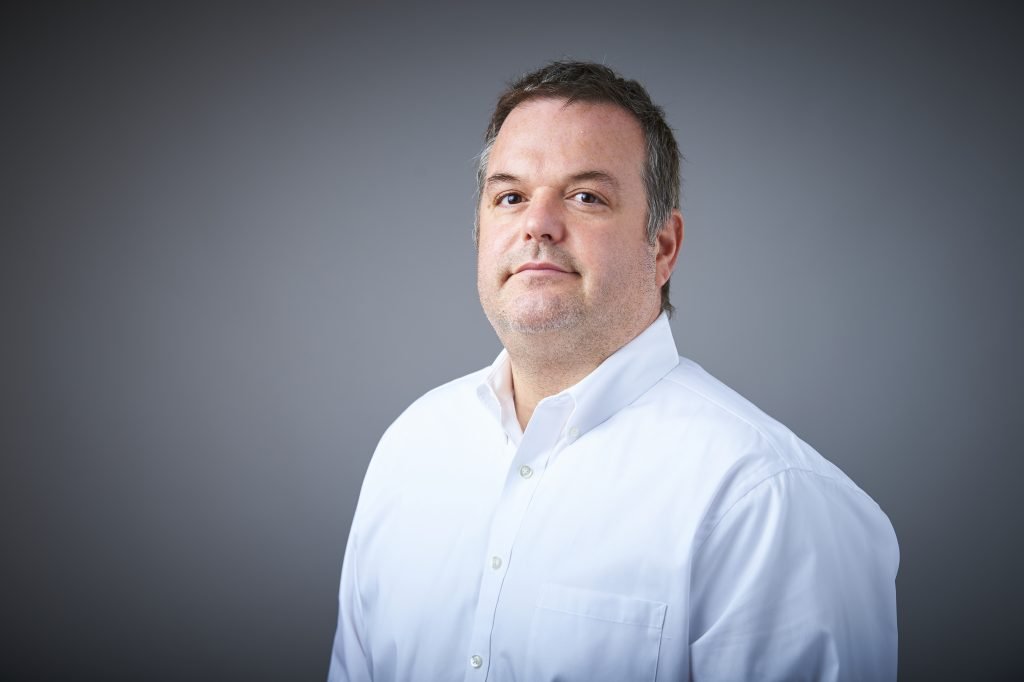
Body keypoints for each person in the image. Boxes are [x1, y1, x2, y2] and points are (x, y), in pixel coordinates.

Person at [327, 61, 898, 682]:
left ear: (663, 247)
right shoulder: (411, 448)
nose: (536, 224)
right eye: (510, 196)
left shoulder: (767, 501)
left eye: (586, 197)